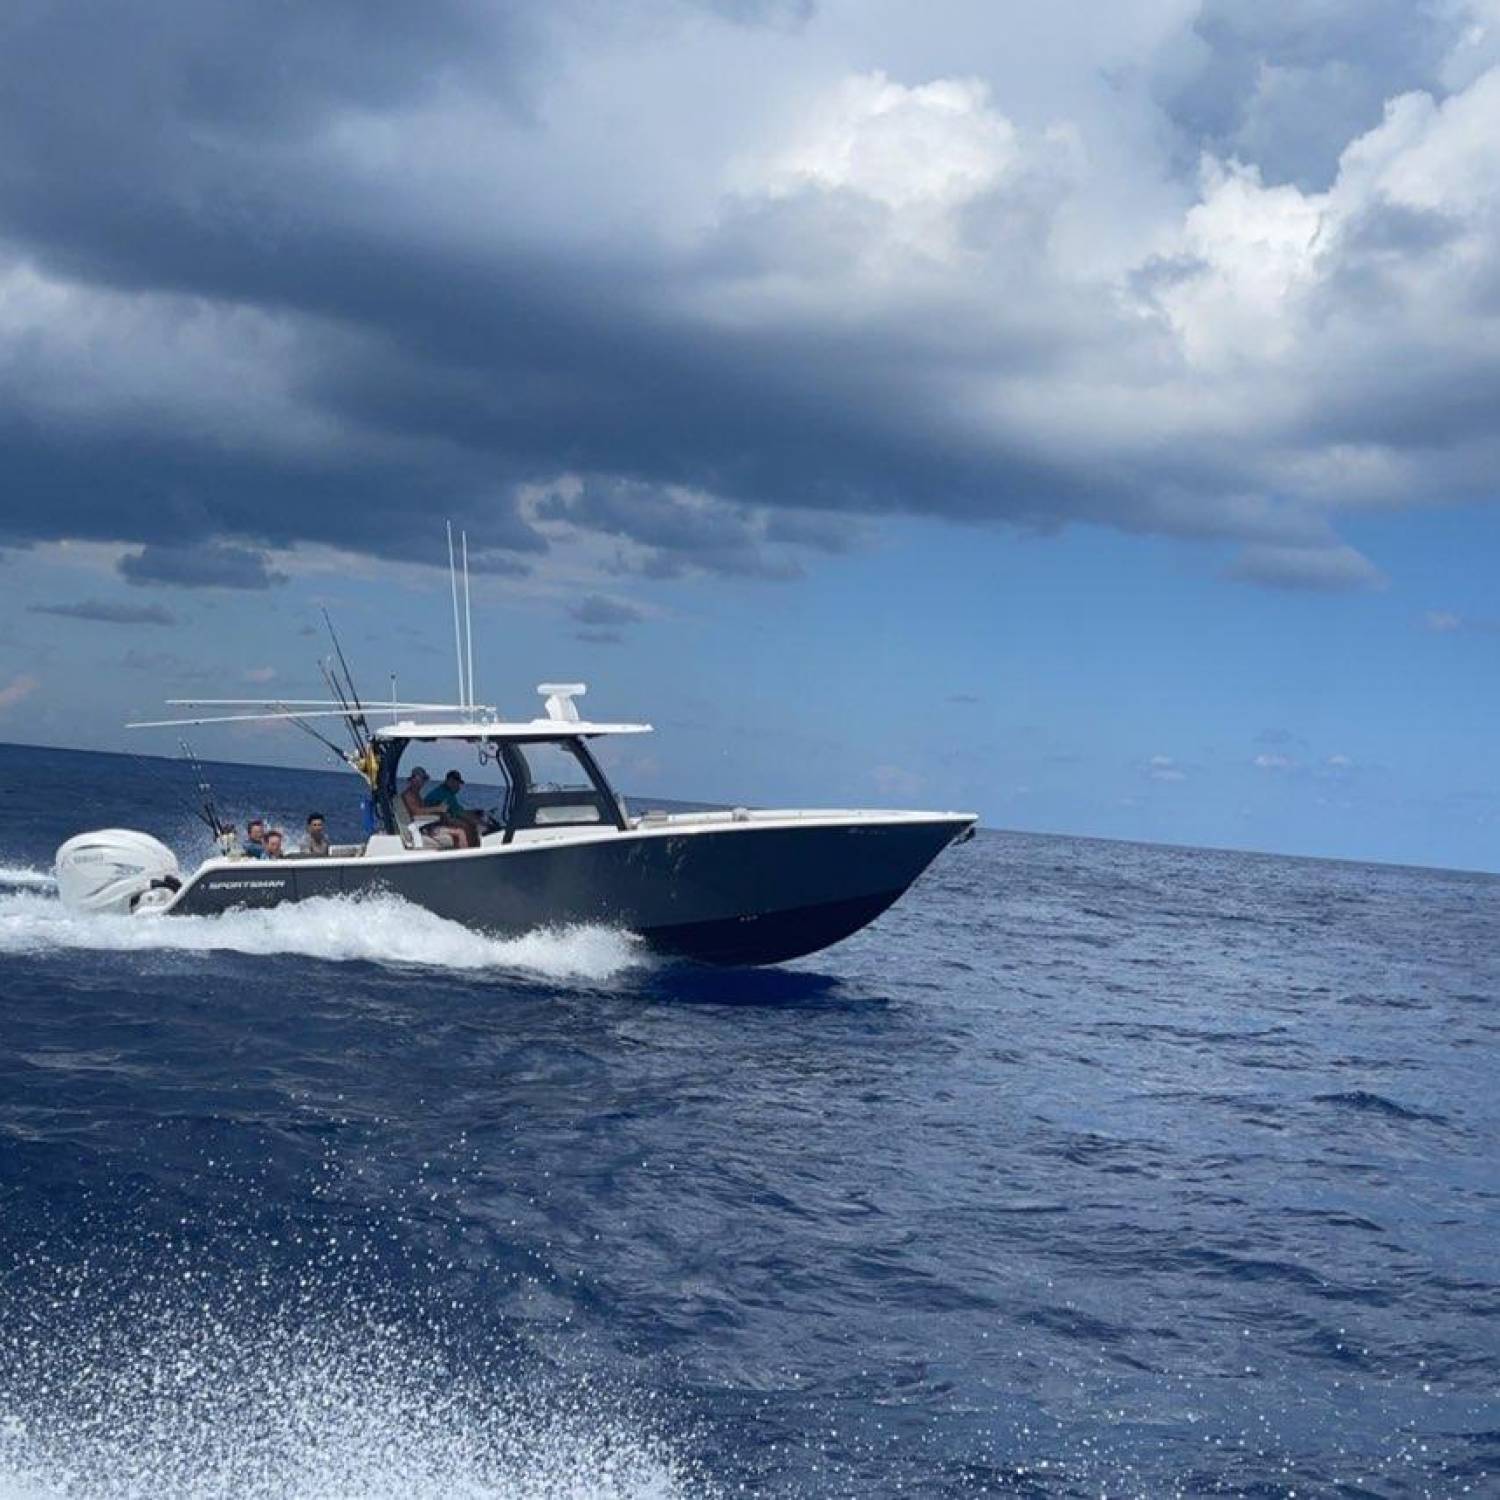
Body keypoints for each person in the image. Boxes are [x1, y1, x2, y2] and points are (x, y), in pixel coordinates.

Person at [400, 766, 461, 848]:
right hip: (416, 831)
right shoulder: (408, 795)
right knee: (459, 833)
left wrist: (439, 813)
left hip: (422, 828)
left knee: (453, 828)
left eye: (424, 780)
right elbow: (416, 813)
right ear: (414, 779)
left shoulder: (416, 795)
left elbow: (422, 811)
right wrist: (438, 808)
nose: (423, 782)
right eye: (422, 779)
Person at [423, 769, 481, 848]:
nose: (458, 786)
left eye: (459, 783)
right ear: (449, 781)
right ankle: (470, 853)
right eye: (456, 783)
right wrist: (478, 821)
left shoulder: (445, 791)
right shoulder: (445, 794)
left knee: (468, 823)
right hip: (431, 825)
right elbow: (459, 813)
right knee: (468, 826)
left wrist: (473, 813)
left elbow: (456, 810)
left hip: (436, 821)